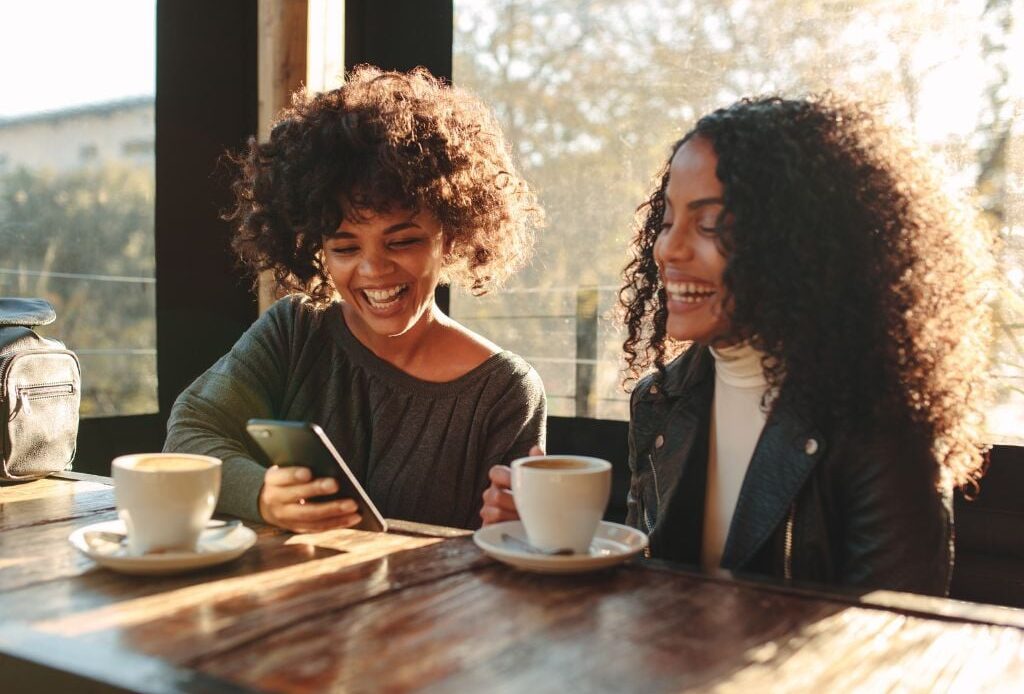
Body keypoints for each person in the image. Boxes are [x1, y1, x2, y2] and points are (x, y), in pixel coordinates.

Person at [482, 95, 992, 596]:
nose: (668, 247)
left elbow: (891, 644)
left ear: (801, 243)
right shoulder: (660, 402)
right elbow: (648, 594)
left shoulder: (880, 422)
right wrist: (550, 539)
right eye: (665, 221)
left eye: (709, 225)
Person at [165, 66, 546, 533]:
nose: (373, 270)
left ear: (450, 236)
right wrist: (261, 493)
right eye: (345, 248)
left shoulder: (504, 391)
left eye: (402, 241)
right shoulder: (295, 331)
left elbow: (511, 549)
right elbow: (189, 436)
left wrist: (521, 528)